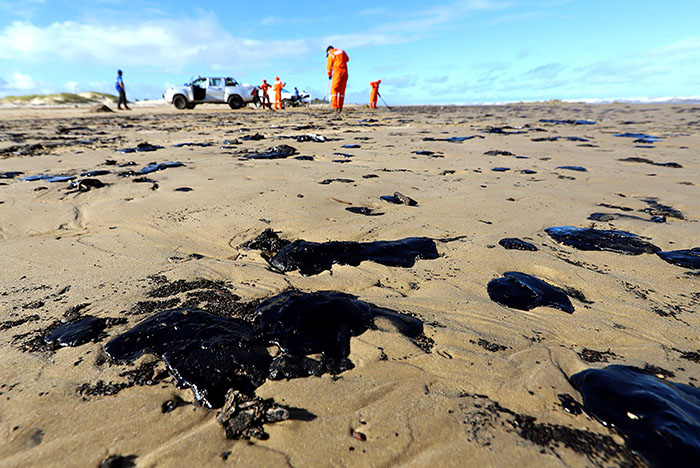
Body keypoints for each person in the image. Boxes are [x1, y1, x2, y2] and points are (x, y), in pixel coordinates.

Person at [326, 45, 349, 111]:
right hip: (345, 72)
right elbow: (347, 59)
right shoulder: (342, 51)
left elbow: (329, 67)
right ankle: (340, 106)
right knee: (342, 90)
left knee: (334, 89)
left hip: (337, 72)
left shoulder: (331, 54)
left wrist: (329, 75)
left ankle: (334, 106)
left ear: (329, 51)